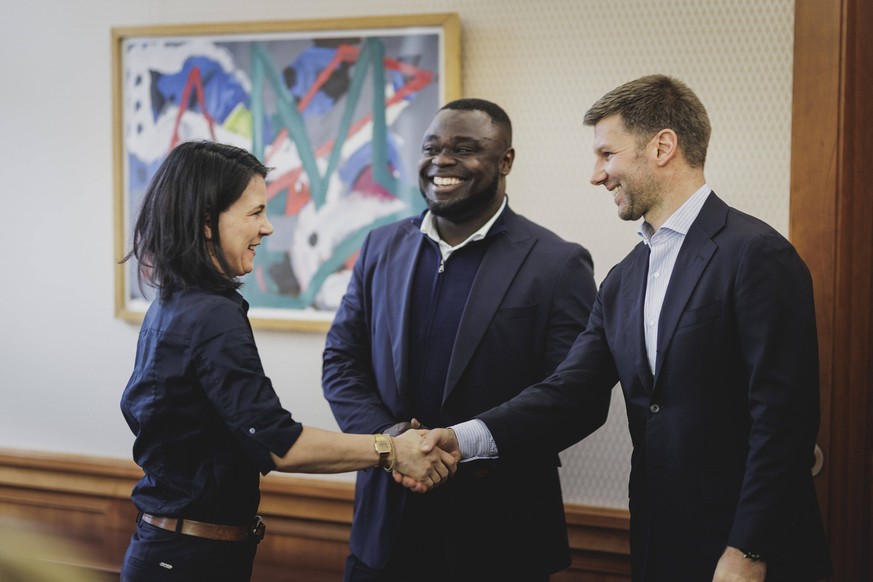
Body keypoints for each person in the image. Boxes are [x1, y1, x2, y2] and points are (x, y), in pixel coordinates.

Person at [416, 76, 832, 582]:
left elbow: (784, 420)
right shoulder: (623, 277)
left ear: (662, 147)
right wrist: (461, 440)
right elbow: (568, 392)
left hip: (749, 552)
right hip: (659, 543)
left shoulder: (757, 254)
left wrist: (747, 550)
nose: (597, 175)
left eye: (606, 154)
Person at [118, 140, 456, 582]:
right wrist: (390, 449)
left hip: (170, 549)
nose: (268, 227)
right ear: (206, 222)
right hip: (187, 561)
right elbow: (281, 444)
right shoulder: (213, 315)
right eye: (255, 212)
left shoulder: (174, 303)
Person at [322, 98, 604, 581]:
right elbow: (341, 362)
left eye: (465, 148)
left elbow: (578, 397)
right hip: (385, 532)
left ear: (505, 161)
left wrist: (463, 443)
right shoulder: (380, 246)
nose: (443, 160)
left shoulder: (557, 263)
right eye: (432, 147)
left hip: (500, 537)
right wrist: (392, 442)